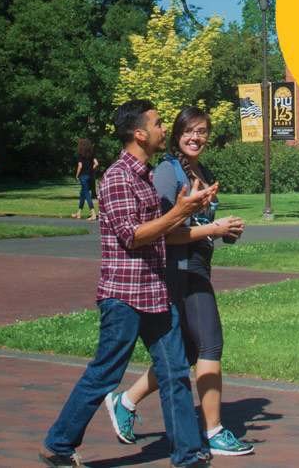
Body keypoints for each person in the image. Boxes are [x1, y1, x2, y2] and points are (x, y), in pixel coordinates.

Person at [40, 99, 216, 468]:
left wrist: (191, 209)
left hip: (155, 292)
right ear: (139, 133)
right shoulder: (118, 177)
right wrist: (180, 213)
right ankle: (58, 445)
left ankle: (187, 455)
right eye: (157, 123)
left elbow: (161, 229)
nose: (163, 129)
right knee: (105, 373)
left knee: (174, 371)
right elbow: (132, 236)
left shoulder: (145, 176)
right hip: (123, 297)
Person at [106, 107, 249, 456]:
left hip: (198, 266)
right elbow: (164, 233)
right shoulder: (168, 172)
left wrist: (222, 232)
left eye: (202, 131)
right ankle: (213, 431)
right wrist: (214, 228)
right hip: (177, 271)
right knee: (210, 345)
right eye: (189, 131)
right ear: (176, 136)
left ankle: (125, 400)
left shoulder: (203, 171)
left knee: (183, 352)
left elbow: (198, 227)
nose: (195, 137)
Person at [73, 138, 99, 219]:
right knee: (82, 194)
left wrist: (77, 175)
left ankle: (93, 214)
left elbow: (80, 166)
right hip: (90, 176)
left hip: (83, 176)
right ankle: (79, 213)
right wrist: (91, 169)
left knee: (87, 194)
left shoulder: (80, 154)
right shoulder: (91, 154)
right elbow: (96, 163)